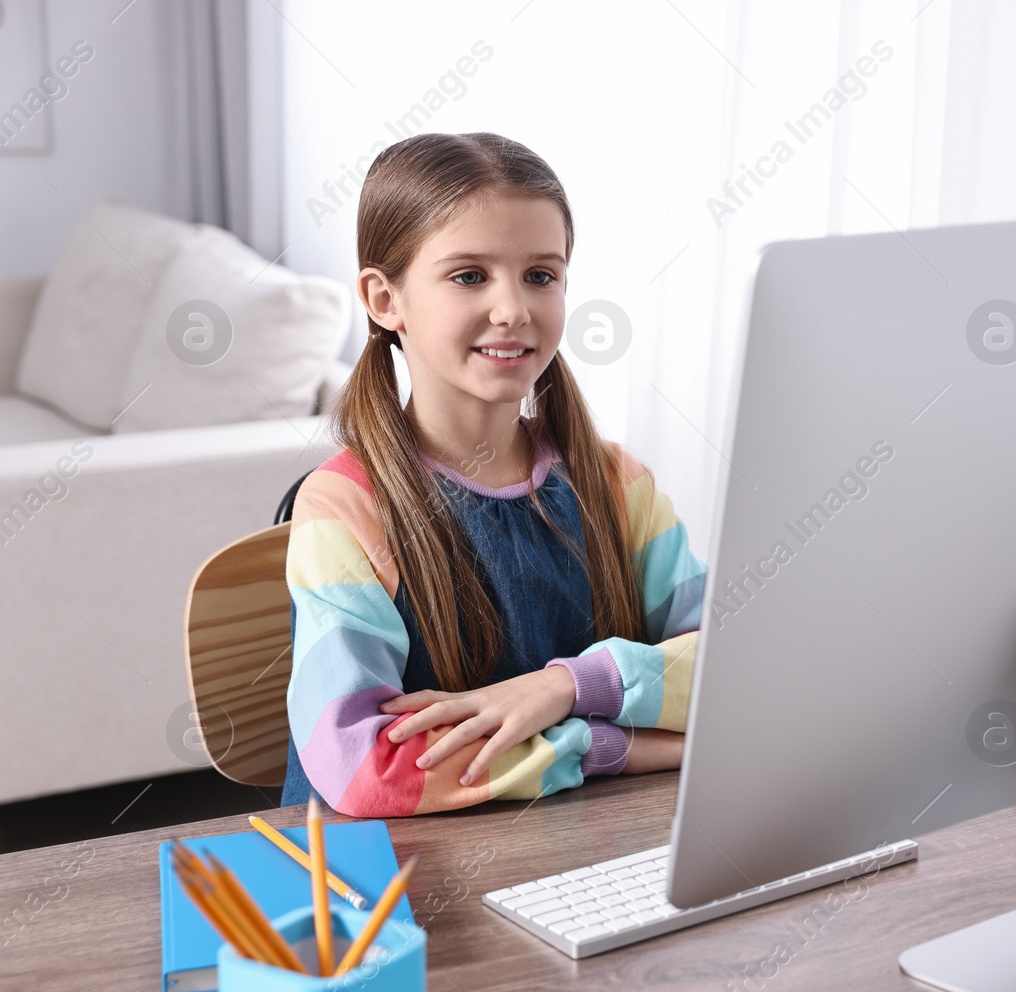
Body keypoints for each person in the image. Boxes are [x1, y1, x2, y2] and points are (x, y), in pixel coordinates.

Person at [280, 131, 704, 817]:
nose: (514, 308)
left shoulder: (615, 482)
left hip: (594, 858)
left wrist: (567, 686)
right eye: (469, 275)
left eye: (541, 275)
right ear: (385, 300)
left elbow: (742, 670)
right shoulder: (344, 507)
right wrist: (610, 744)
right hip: (409, 883)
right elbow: (368, 769)